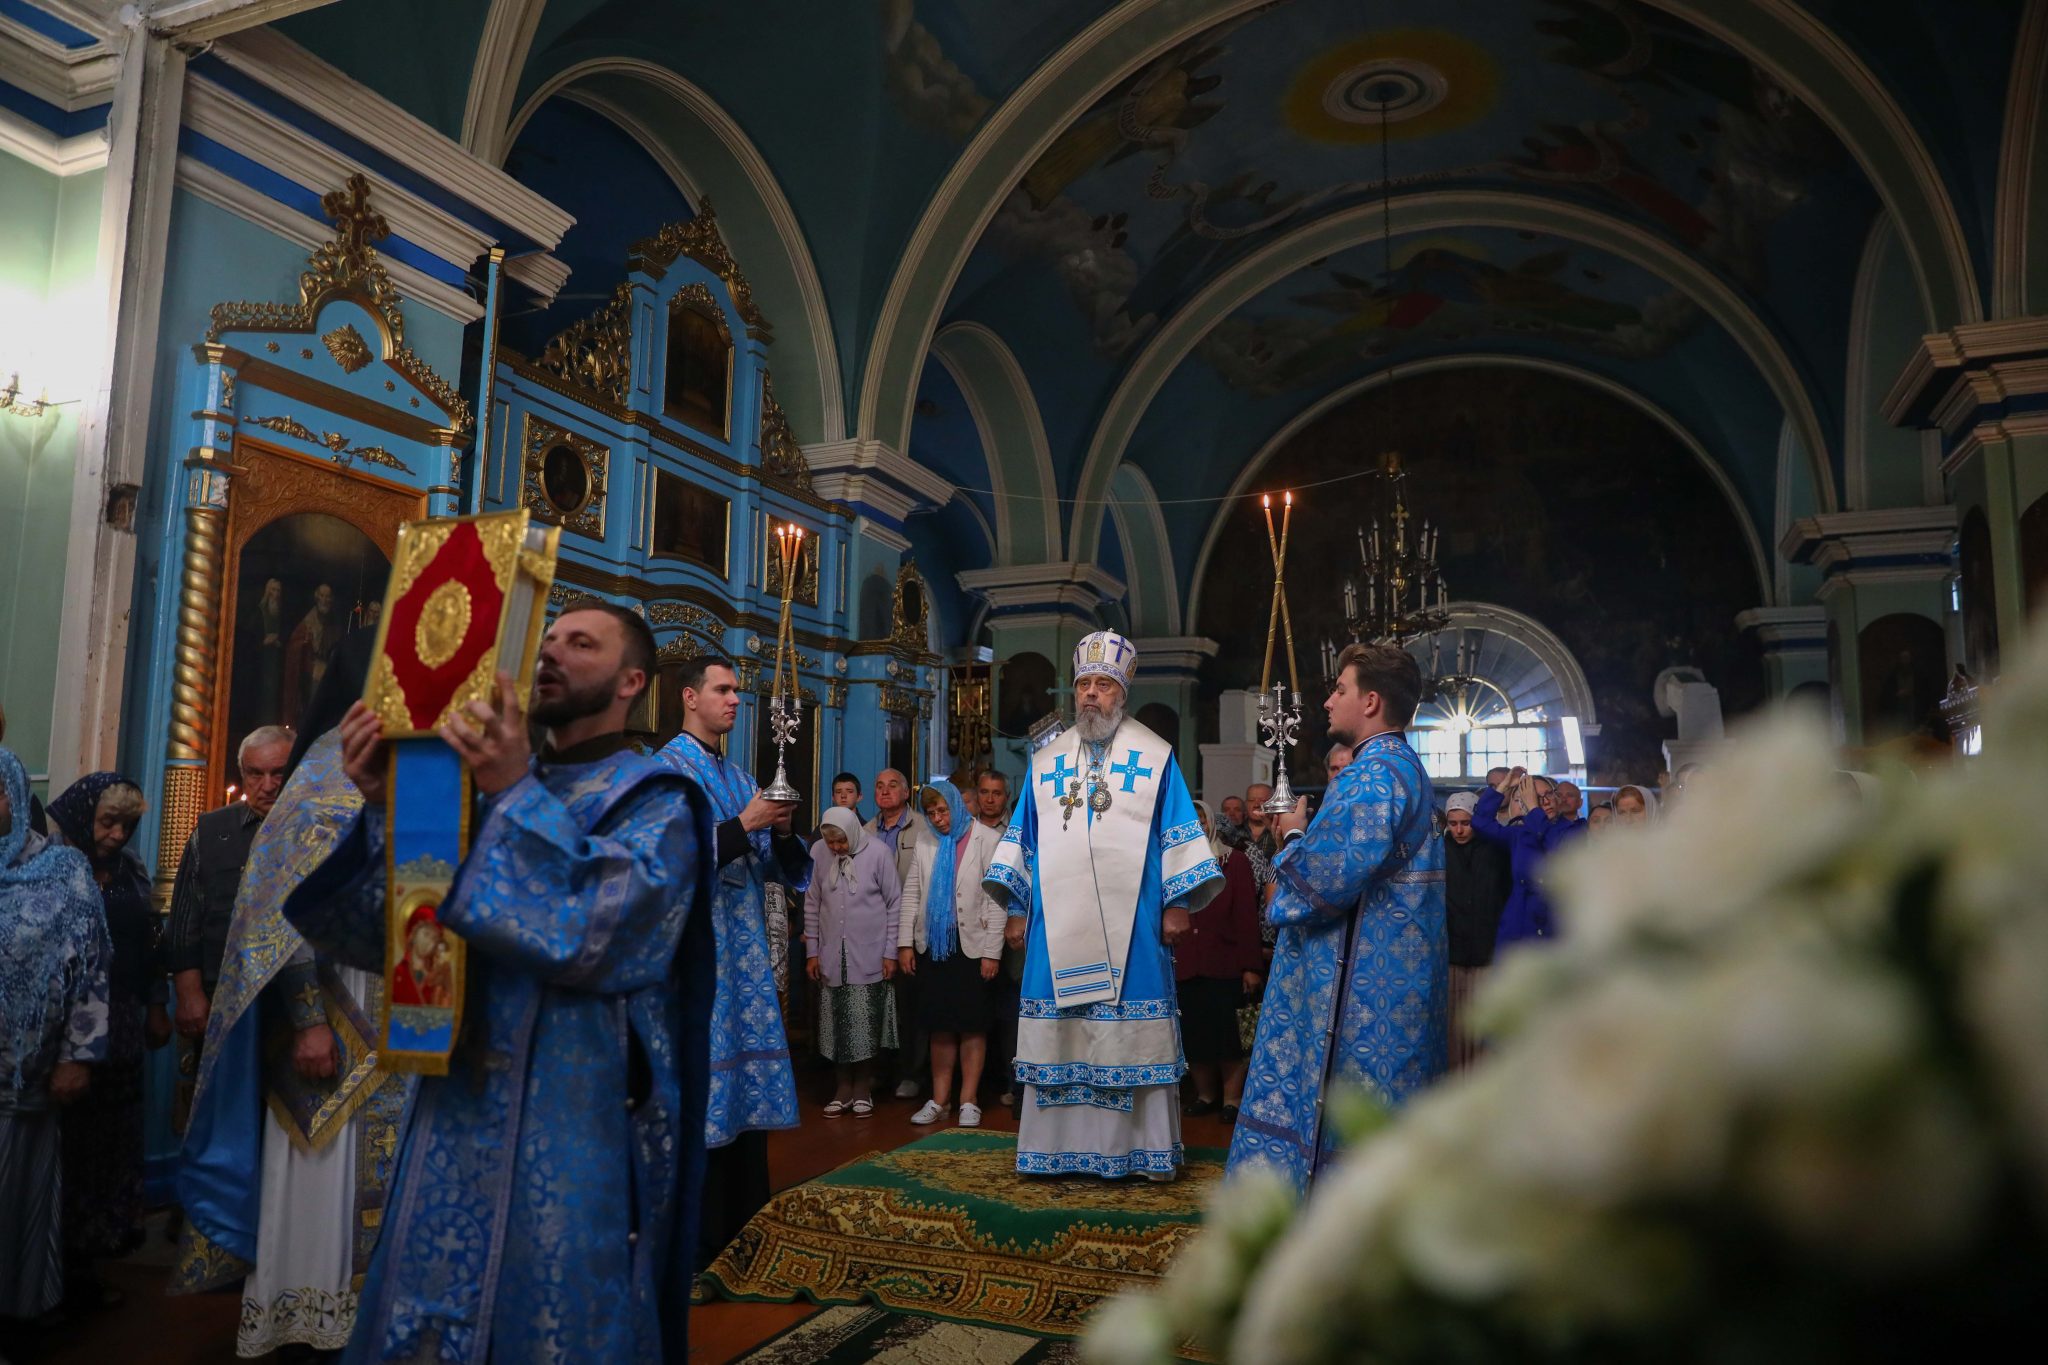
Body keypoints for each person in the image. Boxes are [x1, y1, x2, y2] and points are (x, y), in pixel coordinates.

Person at [281, 601, 718, 1362]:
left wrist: (514, 791)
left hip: (575, 1123)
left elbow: (598, 936)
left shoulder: (659, 801)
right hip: (457, 1112)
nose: (551, 653)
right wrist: (388, 807)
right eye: (546, 638)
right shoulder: (475, 791)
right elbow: (381, 935)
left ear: (631, 681)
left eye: (581, 644)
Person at [985, 630, 1221, 1181]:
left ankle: (1132, 1152)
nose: (1091, 695)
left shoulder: (1155, 757)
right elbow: (1026, 836)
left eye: (1103, 685)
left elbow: (1176, 834)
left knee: (1125, 1032)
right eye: (1084, 685)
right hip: (1054, 923)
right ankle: (1055, 1151)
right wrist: (1017, 908)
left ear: (1123, 693)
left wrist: (1177, 903)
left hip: (1135, 922)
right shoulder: (1046, 761)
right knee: (1061, 1029)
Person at [1229, 644, 1447, 1192]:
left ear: (1371, 701)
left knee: (1352, 1131)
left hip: (1362, 995)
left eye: (1340, 690)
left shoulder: (1374, 777)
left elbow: (1318, 885)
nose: (1328, 701)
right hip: (1391, 980)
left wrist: (1293, 834)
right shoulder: (1403, 770)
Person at [653, 654, 810, 1273]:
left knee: (745, 1102)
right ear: (689, 697)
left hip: (746, 964)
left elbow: (777, 868)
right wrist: (745, 824)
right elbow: (667, 864)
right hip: (698, 963)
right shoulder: (664, 772)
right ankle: (697, 1242)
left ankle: (746, 1231)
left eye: (738, 691)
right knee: (705, 1091)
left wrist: (785, 831)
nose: (734, 700)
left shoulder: (743, 773)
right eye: (722, 690)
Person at [45, 773, 167, 1307]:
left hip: (122, 1023)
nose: (118, 834)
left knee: (110, 1144)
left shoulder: (132, 871)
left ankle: (92, 1261)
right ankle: (51, 1270)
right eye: (108, 822)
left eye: (128, 824)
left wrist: (156, 1005)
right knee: (66, 1143)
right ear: (81, 816)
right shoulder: (47, 871)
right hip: (66, 1029)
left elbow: (149, 943)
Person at [0, 747, 109, 1326]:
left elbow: (91, 971)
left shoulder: (63, 871)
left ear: (17, 796)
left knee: (12, 1204)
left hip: (25, 1077)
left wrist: (79, 1056)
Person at [168, 726, 292, 1055]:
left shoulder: (318, 828)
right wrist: (189, 992)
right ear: (242, 773)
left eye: (278, 773)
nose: (267, 786)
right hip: (221, 996)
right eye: (255, 774)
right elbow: (184, 922)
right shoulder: (211, 832)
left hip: (296, 1002)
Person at [898, 780, 1005, 1127]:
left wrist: (992, 952)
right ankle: (939, 1099)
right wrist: (904, 943)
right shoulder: (927, 840)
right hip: (934, 946)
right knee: (939, 1025)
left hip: (972, 946)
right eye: (931, 813)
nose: (938, 819)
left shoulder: (986, 839)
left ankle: (968, 1100)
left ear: (957, 806)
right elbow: (912, 892)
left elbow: (998, 898)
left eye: (943, 811)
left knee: (972, 1025)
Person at [806, 808, 901, 1118]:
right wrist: (812, 951)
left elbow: (894, 904)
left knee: (863, 1024)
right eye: (830, 841)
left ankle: (862, 1088)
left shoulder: (878, 852)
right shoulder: (818, 852)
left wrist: (890, 952)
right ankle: (842, 1087)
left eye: (841, 842)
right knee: (835, 1025)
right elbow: (812, 902)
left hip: (869, 954)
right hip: (832, 955)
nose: (836, 848)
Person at [1177, 801, 1262, 1120]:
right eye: (1191, 821)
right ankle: (1205, 1095)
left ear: (1211, 823)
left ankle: (1231, 1100)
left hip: (1224, 963)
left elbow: (1245, 915)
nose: (1197, 826)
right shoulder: (1173, 863)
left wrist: (1250, 966)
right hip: (1186, 964)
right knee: (1196, 1037)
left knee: (1229, 1039)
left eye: (1202, 820)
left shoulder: (1233, 860)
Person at [866, 769, 926, 1099]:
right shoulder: (865, 831)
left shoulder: (922, 828)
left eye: (892, 786)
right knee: (877, 1005)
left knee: (908, 1007)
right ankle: (878, 1071)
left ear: (906, 794)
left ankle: (911, 1073)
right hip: (873, 932)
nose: (885, 791)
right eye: (879, 785)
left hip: (909, 931)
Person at [1442, 790, 1510, 1071]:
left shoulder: (1495, 850)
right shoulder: (1439, 851)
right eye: (1453, 823)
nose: (1459, 830)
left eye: (1466, 823)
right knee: (1455, 1029)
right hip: (1453, 956)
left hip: (1487, 954)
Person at [1472, 768, 1564, 948]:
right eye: (1537, 798)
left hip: (1556, 926)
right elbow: (1480, 823)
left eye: (1549, 794)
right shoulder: (1520, 835)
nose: (1546, 802)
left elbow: (1555, 848)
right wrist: (1503, 786)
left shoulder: (1574, 829)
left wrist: (1534, 810)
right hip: (1520, 926)